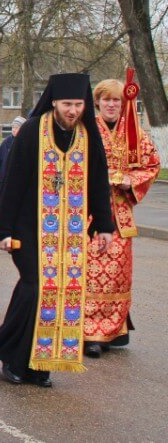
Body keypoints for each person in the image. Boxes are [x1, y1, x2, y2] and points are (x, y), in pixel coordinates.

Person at [0, 73, 114, 388]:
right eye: (67, 104)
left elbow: (98, 181)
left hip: (69, 233)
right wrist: (2, 229)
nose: (73, 111)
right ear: (54, 102)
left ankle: (41, 364)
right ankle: (12, 356)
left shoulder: (87, 135)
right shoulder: (32, 131)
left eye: (78, 104)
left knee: (61, 293)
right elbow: (13, 182)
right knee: (35, 287)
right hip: (28, 227)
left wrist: (105, 226)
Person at [84, 78, 161, 357]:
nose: (112, 105)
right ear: (98, 102)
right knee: (90, 274)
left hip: (120, 215)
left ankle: (113, 329)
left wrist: (131, 180)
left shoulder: (135, 133)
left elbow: (152, 164)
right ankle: (89, 333)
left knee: (117, 275)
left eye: (117, 100)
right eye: (107, 100)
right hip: (89, 215)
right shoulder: (87, 129)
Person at [0, 116, 26, 200]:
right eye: (13, 127)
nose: (14, 130)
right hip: (3, 179)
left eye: (17, 127)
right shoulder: (6, 142)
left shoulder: (26, 143)